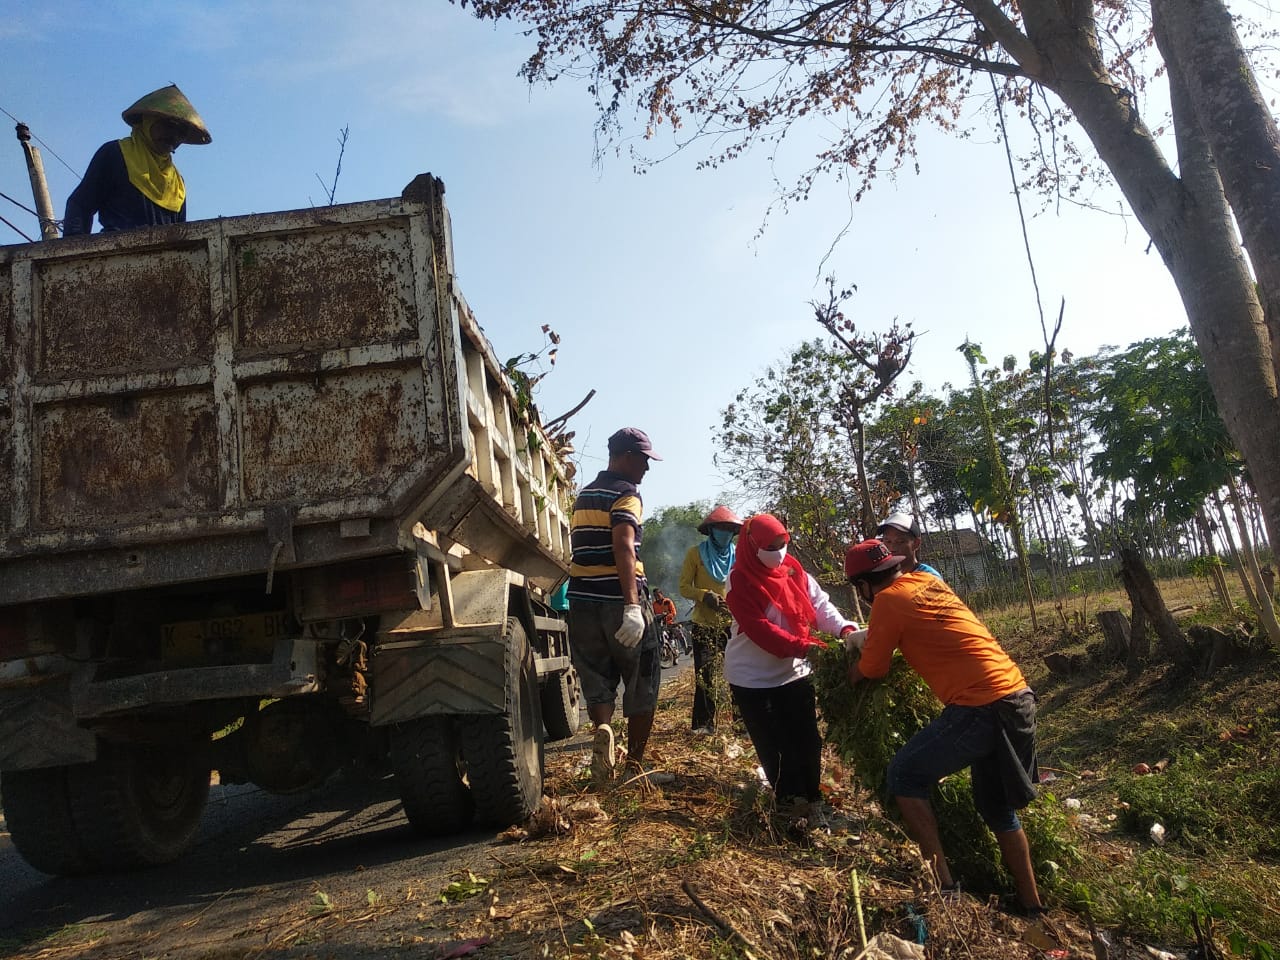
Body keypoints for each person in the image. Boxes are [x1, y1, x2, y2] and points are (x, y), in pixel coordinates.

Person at [844, 538, 1045, 916]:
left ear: (864, 586)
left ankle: (945, 887)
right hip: (1017, 696)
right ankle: (1032, 905)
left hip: (980, 708)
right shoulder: (929, 582)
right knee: (995, 807)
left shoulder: (887, 601)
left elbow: (874, 668)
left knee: (904, 774)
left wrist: (850, 673)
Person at [724, 513, 860, 821]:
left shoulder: (794, 573)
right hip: (753, 679)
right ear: (750, 545)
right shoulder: (739, 580)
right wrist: (809, 649)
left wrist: (845, 632)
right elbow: (760, 630)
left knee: (808, 739)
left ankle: (812, 800)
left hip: (795, 671)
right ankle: (789, 808)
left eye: (782, 543)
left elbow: (821, 607)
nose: (778, 551)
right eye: (770, 545)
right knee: (776, 745)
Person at [566, 427, 666, 786]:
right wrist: (631, 606)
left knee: (597, 680)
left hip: (581, 603)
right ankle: (634, 770)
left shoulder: (583, 495)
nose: (646, 469)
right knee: (642, 682)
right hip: (616, 600)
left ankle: (605, 733)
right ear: (625, 457)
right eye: (643, 460)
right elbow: (624, 545)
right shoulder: (626, 494)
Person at [63, 84, 212, 236]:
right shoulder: (115, 154)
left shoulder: (177, 183)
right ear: (147, 121)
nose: (173, 135)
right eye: (168, 125)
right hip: (116, 254)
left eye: (181, 132)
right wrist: (75, 255)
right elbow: (80, 205)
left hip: (164, 258)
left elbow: (181, 235)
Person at [678, 504, 743, 734]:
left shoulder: (739, 555)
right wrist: (704, 596)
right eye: (720, 528)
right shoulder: (695, 554)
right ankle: (703, 725)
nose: (725, 532)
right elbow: (684, 587)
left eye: (729, 528)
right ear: (711, 530)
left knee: (739, 674)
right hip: (703, 625)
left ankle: (741, 722)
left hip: (733, 625)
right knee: (706, 674)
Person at [876, 512, 943, 579]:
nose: (892, 548)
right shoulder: (881, 578)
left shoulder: (929, 578)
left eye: (900, 542)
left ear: (916, 544)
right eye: (888, 541)